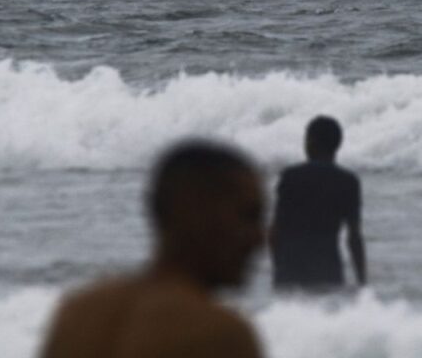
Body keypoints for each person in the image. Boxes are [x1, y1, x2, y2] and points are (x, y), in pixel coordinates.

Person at [40, 139, 266, 358]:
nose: (260, 238)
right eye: (248, 216)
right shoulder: (219, 334)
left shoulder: (80, 314)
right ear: (195, 213)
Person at [271, 115, 366, 291]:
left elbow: (276, 231)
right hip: (328, 270)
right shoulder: (348, 181)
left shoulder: (291, 176)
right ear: (337, 144)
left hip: (290, 269)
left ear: (310, 142)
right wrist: (362, 282)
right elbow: (354, 237)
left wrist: (278, 268)